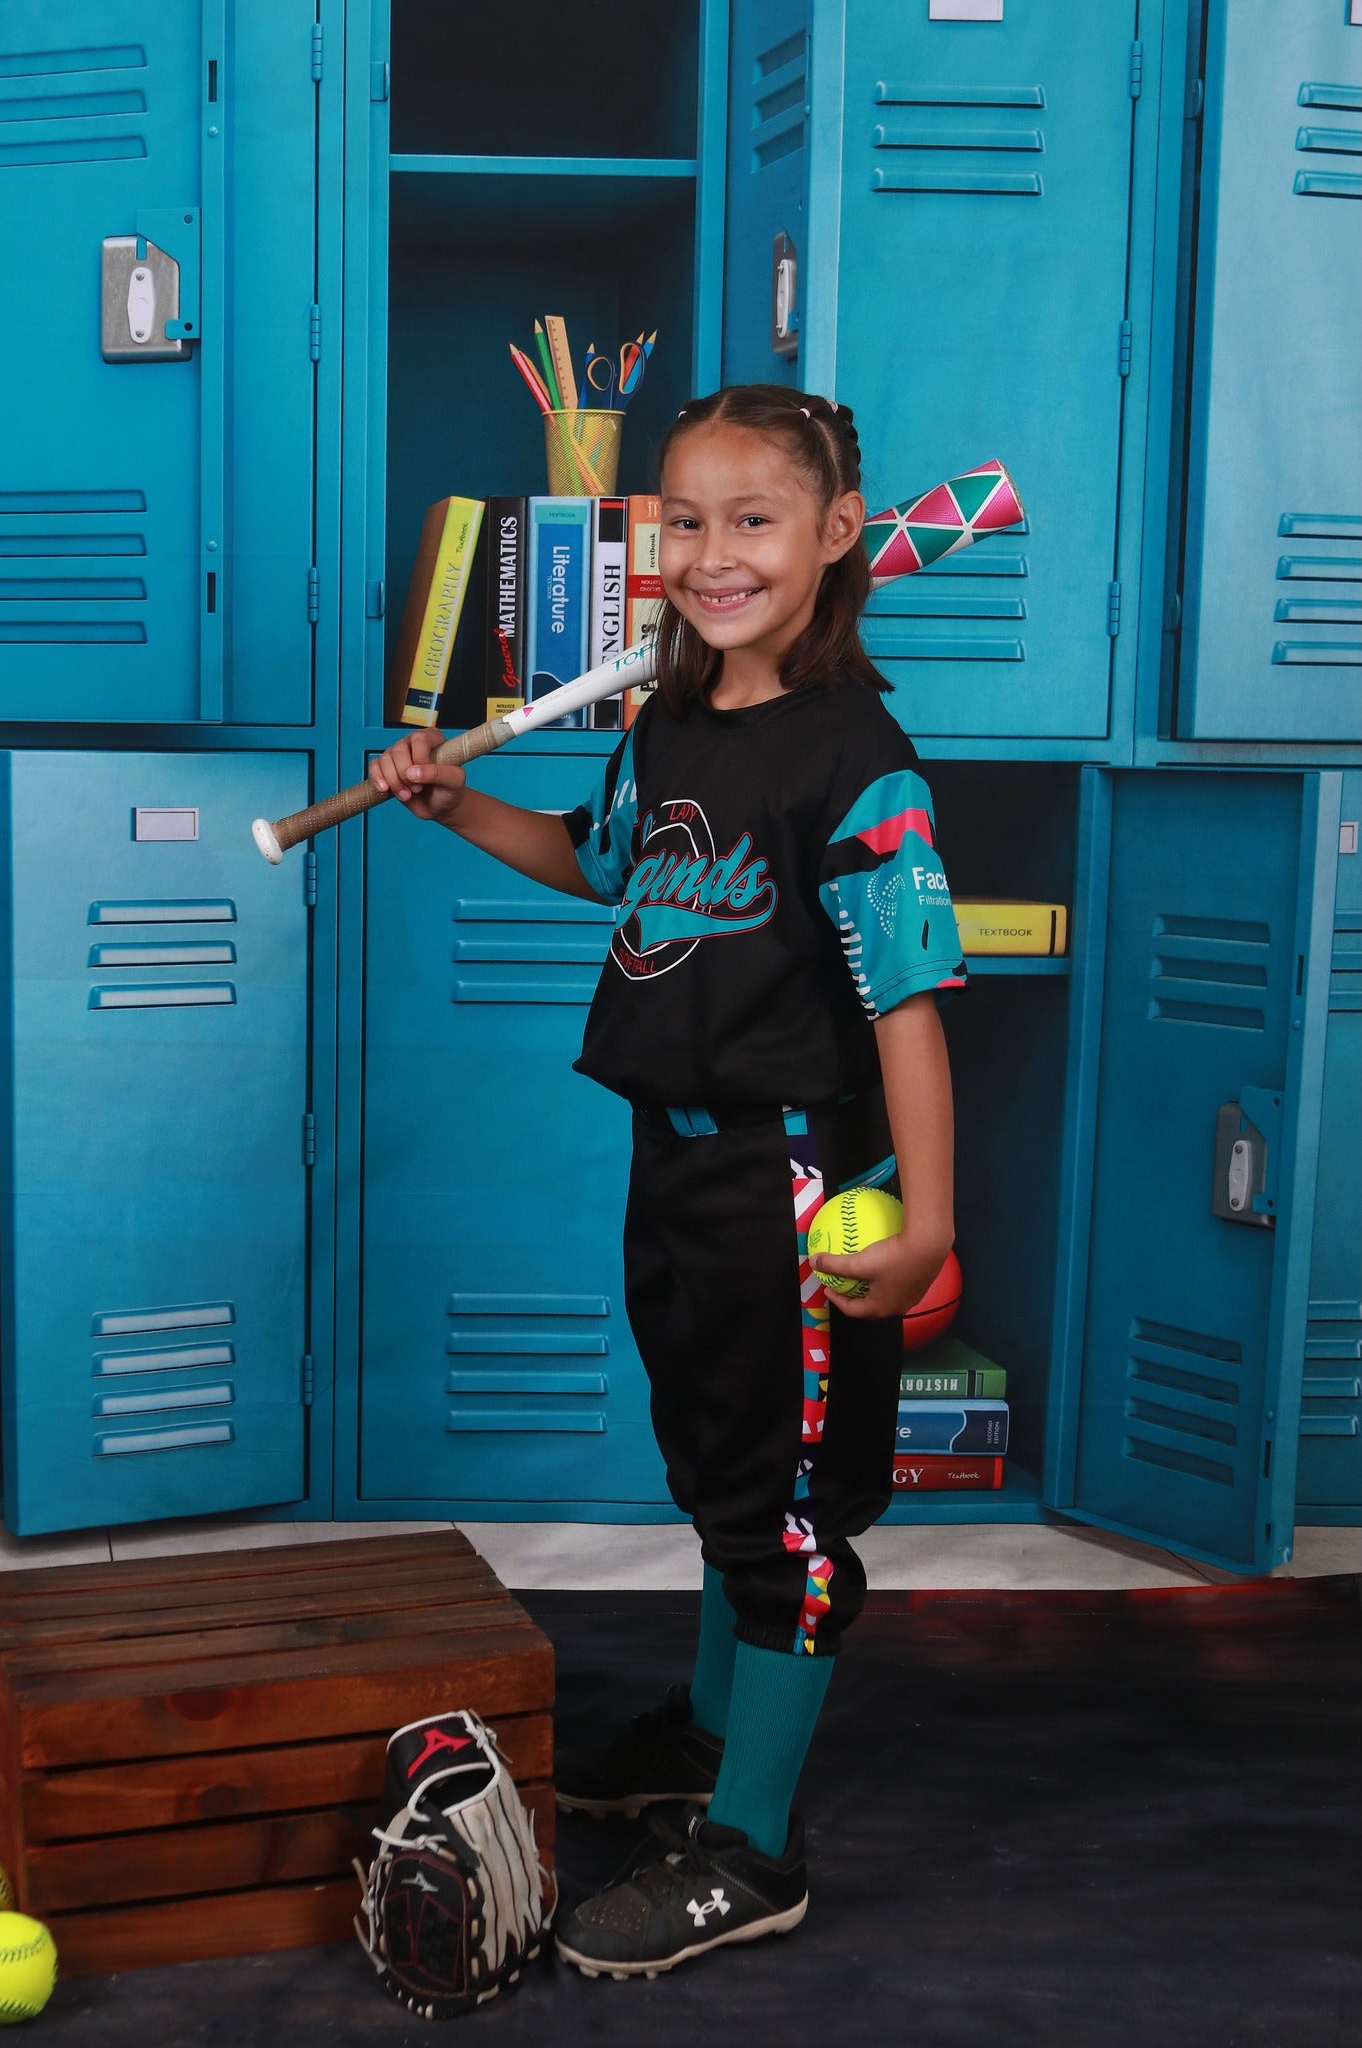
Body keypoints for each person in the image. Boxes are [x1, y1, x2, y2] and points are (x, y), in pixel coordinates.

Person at [367, 383, 966, 1979]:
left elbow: (909, 999)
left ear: (837, 537)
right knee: (720, 1465)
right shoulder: (672, 720)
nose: (712, 553)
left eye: (752, 519)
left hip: (791, 1173)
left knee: (786, 1509)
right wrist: (456, 803)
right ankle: (708, 1740)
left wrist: (931, 1220)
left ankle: (752, 1849)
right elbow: (609, 863)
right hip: (675, 1162)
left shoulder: (858, 757)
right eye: (684, 520)